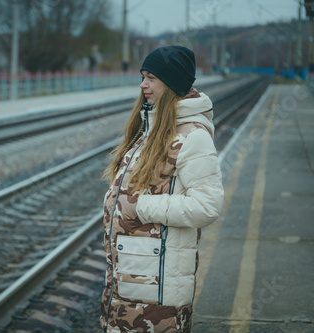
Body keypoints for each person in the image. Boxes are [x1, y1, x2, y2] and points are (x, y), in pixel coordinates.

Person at [100, 45, 224, 332]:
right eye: (143, 76)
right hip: (132, 278)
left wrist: (140, 207)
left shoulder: (192, 136)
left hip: (157, 289)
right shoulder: (150, 128)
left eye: (151, 77)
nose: (143, 84)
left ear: (171, 83)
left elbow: (207, 206)